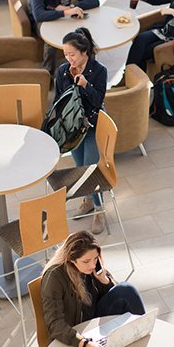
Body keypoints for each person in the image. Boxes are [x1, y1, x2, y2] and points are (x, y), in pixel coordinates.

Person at [41, 231, 145, 347]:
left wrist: (104, 281)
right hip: (75, 332)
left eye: (95, 258)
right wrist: (86, 344)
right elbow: (55, 324)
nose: (92, 265)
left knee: (126, 289)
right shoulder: (54, 277)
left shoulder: (92, 268)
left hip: (95, 319)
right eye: (86, 261)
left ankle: (143, 332)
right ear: (71, 259)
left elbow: (114, 295)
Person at [56, 27, 108, 233]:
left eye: (72, 54)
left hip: (93, 125)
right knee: (79, 168)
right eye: (66, 54)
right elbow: (59, 100)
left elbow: (98, 101)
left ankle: (99, 209)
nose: (69, 59)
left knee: (90, 169)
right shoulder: (62, 71)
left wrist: (86, 84)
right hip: (73, 128)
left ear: (84, 52)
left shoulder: (99, 70)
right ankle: (88, 201)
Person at [28, 0, 100, 77]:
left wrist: (71, 8)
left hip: (63, 17)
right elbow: (39, 15)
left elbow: (94, 0)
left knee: (84, 35)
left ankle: (88, 70)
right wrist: (64, 12)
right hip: (42, 22)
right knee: (50, 40)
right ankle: (48, 74)